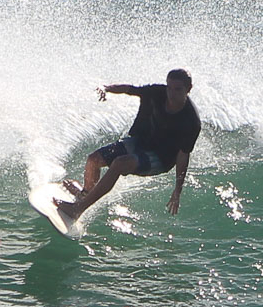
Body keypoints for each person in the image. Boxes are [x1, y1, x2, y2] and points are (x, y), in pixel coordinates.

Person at [55, 68, 200, 221]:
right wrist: (106, 88)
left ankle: (77, 209)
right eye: (169, 87)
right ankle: (83, 196)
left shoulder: (191, 121)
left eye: (178, 89)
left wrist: (177, 191)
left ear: (188, 89)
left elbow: (183, 156)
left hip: (160, 158)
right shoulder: (157, 92)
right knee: (94, 160)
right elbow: (130, 89)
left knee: (119, 163)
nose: (171, 93)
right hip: (141, 141)